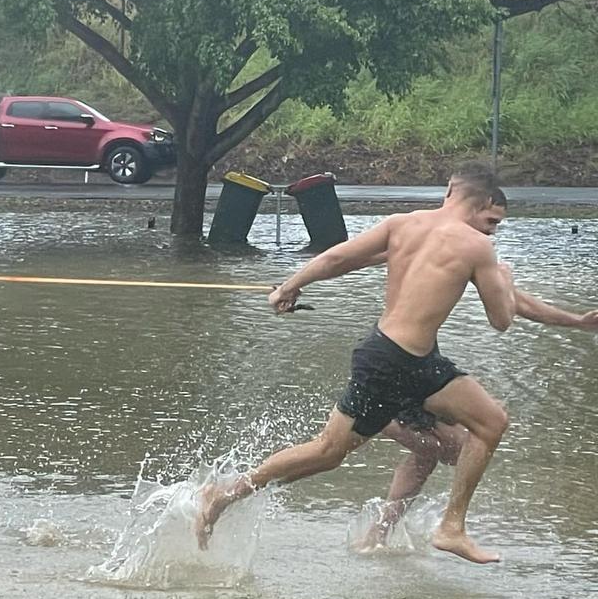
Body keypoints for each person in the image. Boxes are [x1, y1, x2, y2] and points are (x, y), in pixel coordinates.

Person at [194, 162, 516, 564]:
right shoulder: (476, 246)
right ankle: (451, 527)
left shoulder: (403, 224)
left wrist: (289, 286)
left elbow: (336, 259)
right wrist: (503, 279)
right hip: (397, 362)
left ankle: (225, 494)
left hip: (394, 354)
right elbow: (501, 320)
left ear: (450, 190)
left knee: (332, 452)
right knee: (330, 451)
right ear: (484, 201)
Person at [363, 289, 598, 550]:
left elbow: (509, 296)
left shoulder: (465, 254)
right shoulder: (446, 251)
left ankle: (378, 536)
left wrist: (577, 321)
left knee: (433, 448)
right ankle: (443, 528)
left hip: (415, 363)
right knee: (454, 446)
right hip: (398, 364)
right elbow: (504, 311)